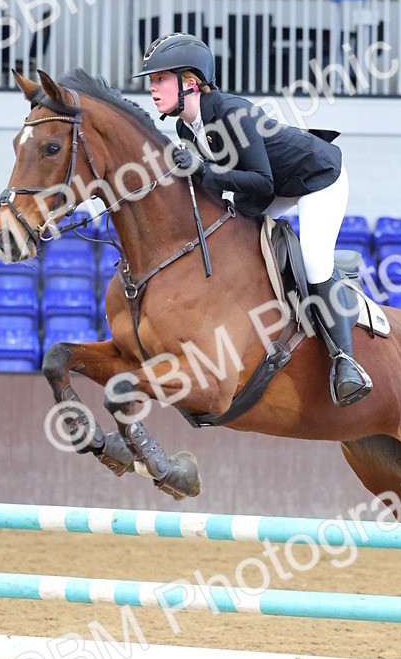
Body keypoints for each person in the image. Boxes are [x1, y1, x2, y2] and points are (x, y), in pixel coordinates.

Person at [133, 32, 372, 407]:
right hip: (271, 187)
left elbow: (262, 181)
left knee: (313, 260)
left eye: (160, 78)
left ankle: (346, 362)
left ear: (191, 82)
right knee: (232, 238)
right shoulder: (184, 127)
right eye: (151, 80)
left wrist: (204, 170)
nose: (152, 88)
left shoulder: (232, 112)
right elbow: (226, 188)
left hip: (317, 178)